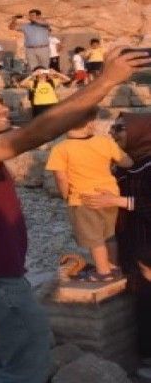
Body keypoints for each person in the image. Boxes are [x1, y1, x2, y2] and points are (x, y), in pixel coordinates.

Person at [0, 48, 149, 383]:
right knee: (27, 365)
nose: (2, 108)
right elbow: (39, 132)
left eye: (0, 100)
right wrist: (106, 81)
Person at [82, 112, 151, 380]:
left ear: (141, 132)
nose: (112, 133)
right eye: (112, 128)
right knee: (140, 298)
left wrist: (120, 202)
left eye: (120, 128)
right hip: (132, 241)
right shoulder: (126, 165)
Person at [46, 109, 133, 280]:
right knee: (109, 234)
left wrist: (65, 195)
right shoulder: (104, 142)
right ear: (91, 124)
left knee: (94, 239)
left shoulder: (60, 149)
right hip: (110, 195)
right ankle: (114, 267)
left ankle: (103, 272)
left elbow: (61, 177)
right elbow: (127, 162)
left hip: (84, 199)